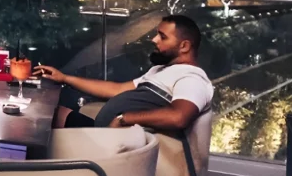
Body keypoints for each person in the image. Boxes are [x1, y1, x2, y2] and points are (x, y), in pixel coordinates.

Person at [35, 14, 212, 131]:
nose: (154, 39)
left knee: (39, 126)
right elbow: (117, 89)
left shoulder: (192, 79)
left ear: (185, 46)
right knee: (52, 114)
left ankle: (28, 173)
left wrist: (124, 119)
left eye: (162, 36)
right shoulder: (162, 70)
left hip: (116, 146)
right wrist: (64, 77)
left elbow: (178, 117)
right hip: (104, 132)